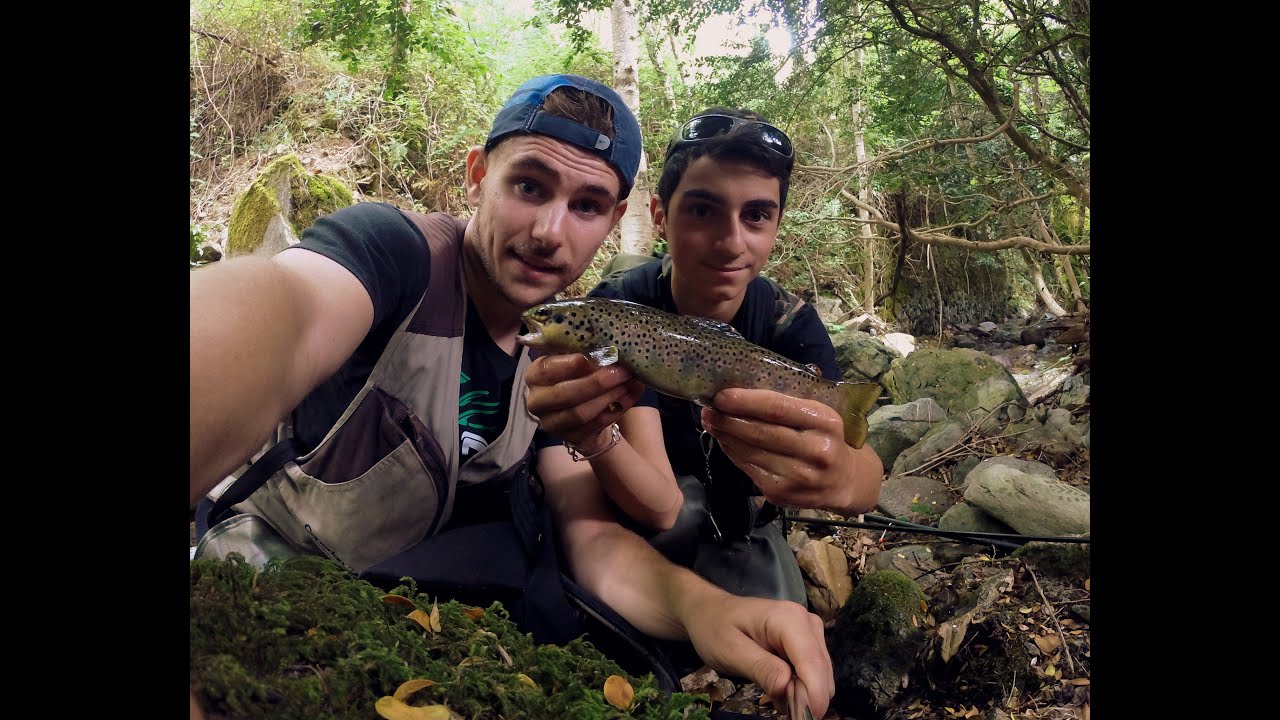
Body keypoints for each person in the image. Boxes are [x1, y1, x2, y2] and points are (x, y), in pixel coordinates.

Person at [190, 79, 833, 718]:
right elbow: (286, 315)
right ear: (477, 175)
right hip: (256, 583)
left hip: (407, 617)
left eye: (586, 205)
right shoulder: (394, 254)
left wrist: (706, 609)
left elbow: (591, 535)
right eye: (528, 186)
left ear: (613, 221)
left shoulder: (571, 345)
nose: (550, 231)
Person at [523, 108, 885, 606]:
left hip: (742, 527)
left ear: (777, 222)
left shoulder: (789, 322)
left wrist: (838, 474)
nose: (731, 241)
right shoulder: (622, 314)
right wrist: (591, 435)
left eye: (756, 215)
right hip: (628, 524)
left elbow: (867, 482)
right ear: (659, 216)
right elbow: (660, 508)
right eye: (702, 210)